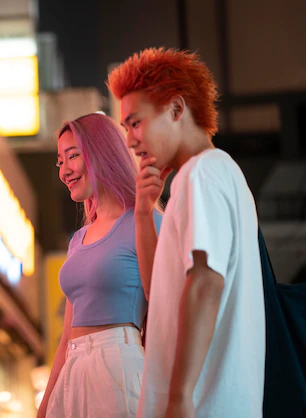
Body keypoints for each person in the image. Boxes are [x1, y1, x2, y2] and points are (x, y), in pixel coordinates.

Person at [108, 48, 265, 418]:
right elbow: (159, 295)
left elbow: (205, 284)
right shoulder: (216, 174)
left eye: (135, 122)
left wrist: (178, 399)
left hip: (203, 405)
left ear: (176, 110)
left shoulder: (202, 174)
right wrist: (144, 212)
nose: (130, 140)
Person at [38, 113, 162, 418]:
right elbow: (66, 337)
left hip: (119, 361)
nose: (64, 170)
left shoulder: (145, 220)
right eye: (59, 161)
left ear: (100, 153)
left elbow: (166, 311)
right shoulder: (78, 239)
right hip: (73, 368)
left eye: (73, 156)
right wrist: (43, 407)